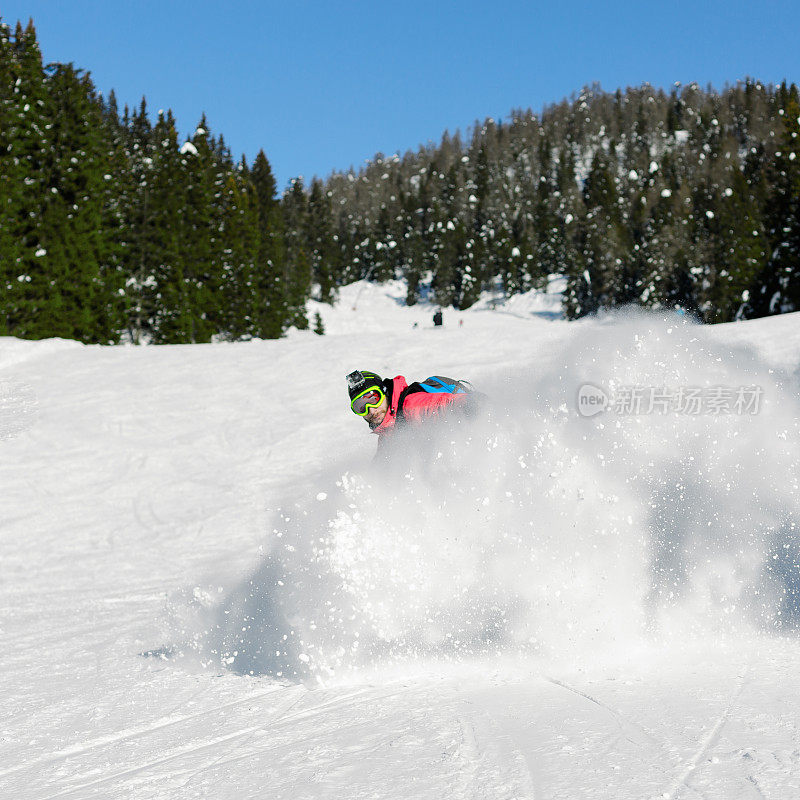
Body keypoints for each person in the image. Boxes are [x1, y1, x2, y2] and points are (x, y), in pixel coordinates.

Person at [346, 369, 473, 458]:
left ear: (385, 392)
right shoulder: (387, 436)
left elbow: (464, 403)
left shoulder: (412, 406)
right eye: (361, 407)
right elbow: (380, 473)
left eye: (374, 399)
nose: (371, 410)